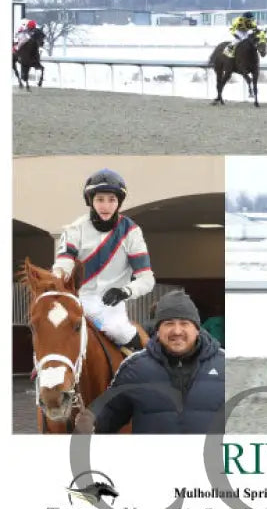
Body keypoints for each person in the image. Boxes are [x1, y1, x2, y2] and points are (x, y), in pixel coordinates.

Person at [73, 289, 225, 435]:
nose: (177, 331)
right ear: (157, 330)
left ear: (197, 328)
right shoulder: (136, 367)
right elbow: (111, 410)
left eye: (185, 323)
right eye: (169, 323)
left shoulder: (225, 365)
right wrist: (90, 420)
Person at [51, 169, 154, 353]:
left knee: (118, 331)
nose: (105, 206)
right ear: (90, 201)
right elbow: (62, 265)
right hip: (78, 301)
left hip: (111, 305)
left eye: (111, 200)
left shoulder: (132, 232)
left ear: (119, 202)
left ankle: (142, 365)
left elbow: (147, 279)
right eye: (100, 199)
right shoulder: (75, 229)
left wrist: (125, 291)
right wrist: (57, 281)